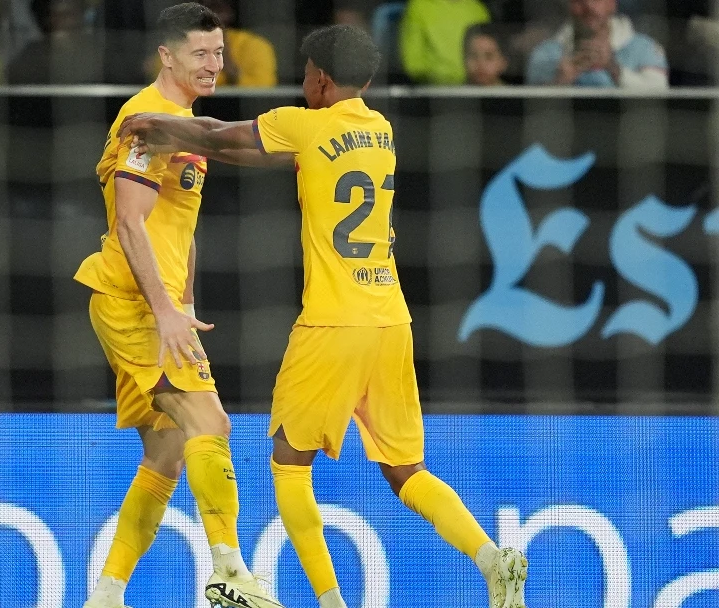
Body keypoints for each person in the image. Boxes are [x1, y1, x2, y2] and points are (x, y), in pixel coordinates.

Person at [119, 23, 529, 608]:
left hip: (332, 326)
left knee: (289, 467)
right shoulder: (382, 131)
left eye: (306, 75)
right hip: (391, 321)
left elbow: (218, 135)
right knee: (405, 468)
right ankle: (493, 558)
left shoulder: (304, 125)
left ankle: (331, 603)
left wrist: (153, 127)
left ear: (319, 78)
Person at [74, 4, 285, 608]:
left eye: (218, 53)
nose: (214, 64)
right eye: (200, 53)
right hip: (132, 303)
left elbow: (179, 227)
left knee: (166, 453)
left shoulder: (184, 123)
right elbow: (132, 222)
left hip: (156, 304)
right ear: (167, 56)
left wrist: (185, 298)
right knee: (211, 425)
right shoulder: (146, 121)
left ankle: (106, 596)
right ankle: (227, 570)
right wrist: (166, 309)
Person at [525, 0, 668, 88]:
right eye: (579, 1)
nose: (589, 7)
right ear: (569, 5)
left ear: (612, 4)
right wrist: (558, 83)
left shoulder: (646, 49)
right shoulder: (545, 54)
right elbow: (530, 116)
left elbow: (660, 99)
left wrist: (613, 68)